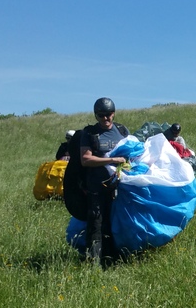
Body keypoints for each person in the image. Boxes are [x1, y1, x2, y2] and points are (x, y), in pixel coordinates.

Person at [79, 97, 130, 267]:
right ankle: (93, 263)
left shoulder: (122, 131)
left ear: (113, 114)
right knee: (97, 224)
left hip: (120, 187)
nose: (105, 119)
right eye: (101, 115)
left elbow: (132, 152)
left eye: (108, 115)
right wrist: (112, 160)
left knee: (117, 222)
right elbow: (85, 159)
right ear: (96, 116)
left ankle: (114, 259)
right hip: (97, 187)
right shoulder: (90, 133)